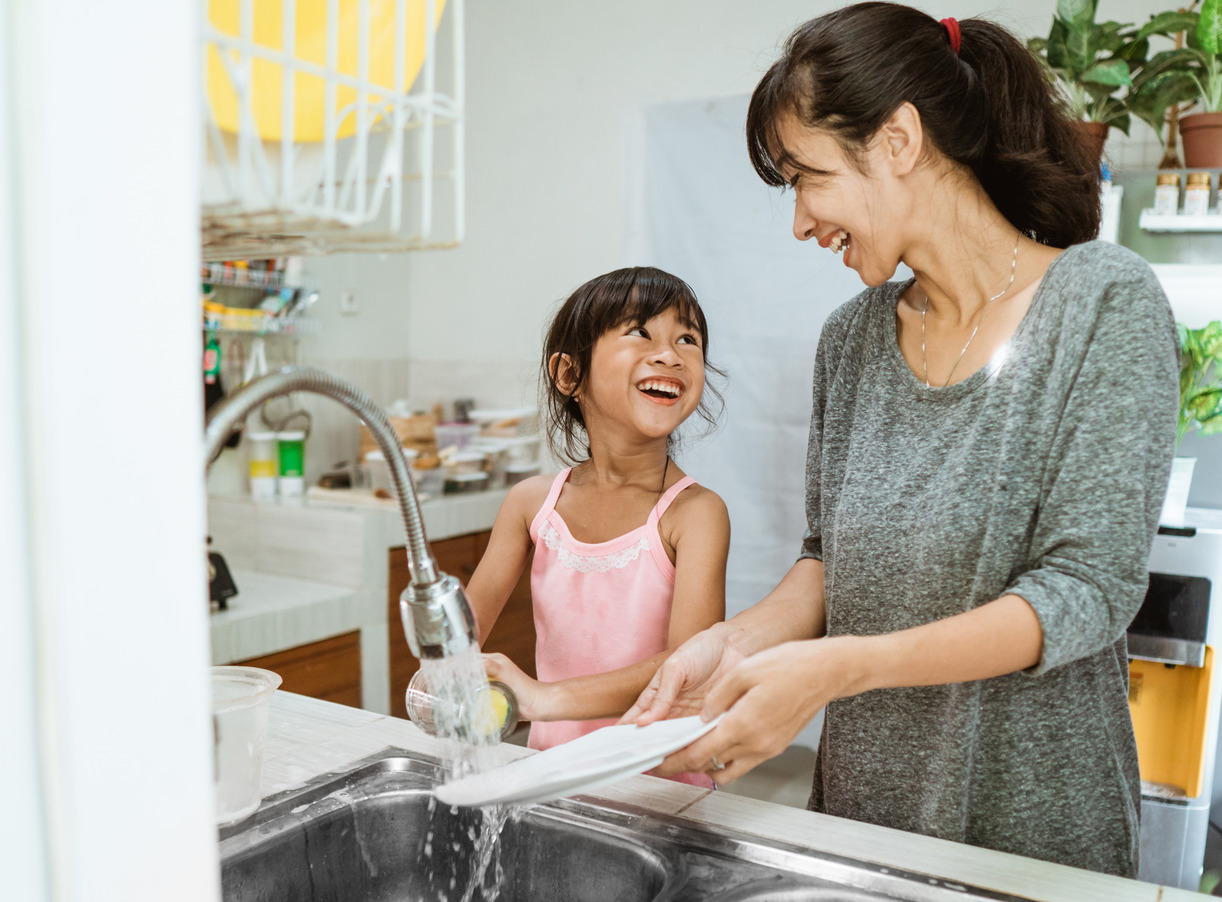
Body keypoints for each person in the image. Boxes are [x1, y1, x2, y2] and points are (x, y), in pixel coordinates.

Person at [621, 2, 1178, 876]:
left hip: (1030, 834)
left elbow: (1086, 590)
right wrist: (733, 646)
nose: (802, 221)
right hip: (861, 823)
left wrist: (836, 669)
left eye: (807, 177)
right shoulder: (851, 339)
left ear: (898, 141)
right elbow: (825, 561)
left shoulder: (1103, 303)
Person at [466, 266, 730, 789]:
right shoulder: (531, 503)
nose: (670, 353)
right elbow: (461, 634)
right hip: (551, 773)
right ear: (569, 374)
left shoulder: (695, 513)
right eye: (641, 332)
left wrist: (541, 697)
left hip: (661, 784)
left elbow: (686, 668)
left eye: (688, 338)